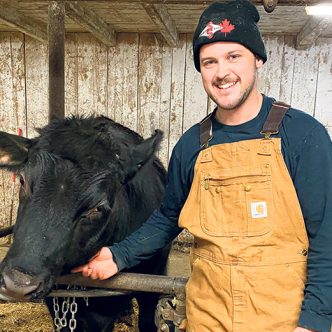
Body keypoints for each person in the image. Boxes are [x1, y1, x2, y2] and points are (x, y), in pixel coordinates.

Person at [72, 1, 332, 331]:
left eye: (233, 56)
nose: (221, 72)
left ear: (258, 59)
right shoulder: (193, 145)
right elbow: (168, 218)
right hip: (207, 315)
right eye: (209, 62)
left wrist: (314, 319)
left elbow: (327, 235)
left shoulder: (302, 135)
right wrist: (118, 255)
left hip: (281, 318)